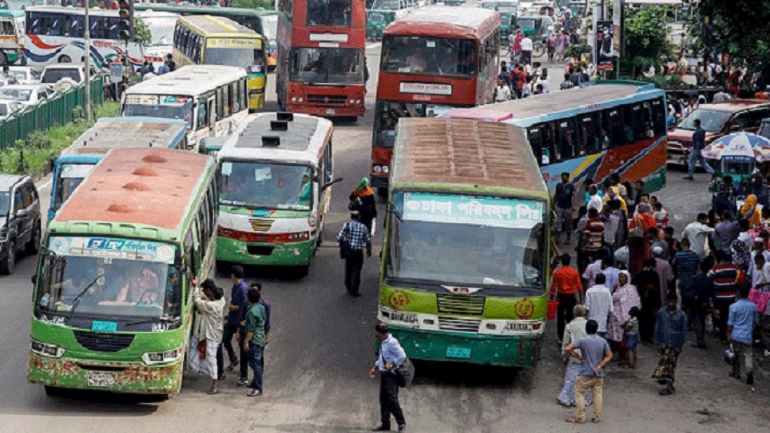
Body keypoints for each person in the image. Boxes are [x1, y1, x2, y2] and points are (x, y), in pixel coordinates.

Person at [564, 320, 612, 424]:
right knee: (597, 395)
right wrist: (600, 365)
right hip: (598, 374)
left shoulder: (582, 340)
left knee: (580, 393)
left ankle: (580, 417)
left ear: (586, 329)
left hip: (585, 372)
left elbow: (568, 348)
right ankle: (596, 417)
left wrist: (577, 356)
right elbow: (609, 356)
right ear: (596, 329)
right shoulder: (602, 341)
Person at [369, 323, 407, 432]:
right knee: (384, 400)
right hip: (384, 374)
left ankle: (401, 423)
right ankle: (385, 423)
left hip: (391, 375)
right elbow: (382, 357)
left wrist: (392, 364)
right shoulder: (384, 342)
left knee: (392, 399)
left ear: (379, 333)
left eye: (376, 332)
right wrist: (375, 368)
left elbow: (402, 356)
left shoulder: (392, 343)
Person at [191, 279, 226, 395]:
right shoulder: (220, 301)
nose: (204, 293)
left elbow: (198, 302)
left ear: (210, 291)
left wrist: (195, 289)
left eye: (205, 290)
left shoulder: (212, 306)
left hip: (211, 335)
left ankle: (214, 383)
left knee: (211, 359)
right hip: (216, 333)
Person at [652, 292, 687, 395]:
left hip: (675, 344)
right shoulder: (662, 313)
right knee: (665, 364)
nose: (671, 303)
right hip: (664, 342)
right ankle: (667, 383)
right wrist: (657, 342)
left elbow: (683, 332)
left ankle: (669, 385)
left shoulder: (682, 315)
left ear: (676, 302)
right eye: (670, 301)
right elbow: (657, 328)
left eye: (673, 301)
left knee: (671, 365)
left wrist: (680, 345)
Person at [557, 305, 591, 407]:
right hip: (587, 357)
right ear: (585, 313)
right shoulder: (589, 325)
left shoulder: (569, 326)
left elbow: (566, 344)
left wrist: (564, 357)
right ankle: (584, 399)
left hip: (574, 356)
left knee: (571, 379)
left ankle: (567, 398)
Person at [606, 271, 641, 366]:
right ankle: (621, 357)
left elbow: (630, 304)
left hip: (625, 318)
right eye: (620, 277)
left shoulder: (630, 290)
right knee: (617, 339)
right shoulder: (618, 288)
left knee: (625, 340)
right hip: (615, 318)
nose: (621, 279)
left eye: (623, 277)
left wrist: (627, 318)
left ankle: (626, 359)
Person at [337, 210, 373, 296]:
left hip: (349, 251)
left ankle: (348, 285)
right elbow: (368, 240)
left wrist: (343, 244)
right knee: (357, 270)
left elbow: (339, 237)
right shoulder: (363, 227)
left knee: (348, 268)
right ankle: (355, 289)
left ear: (351, 216)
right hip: (358, 252)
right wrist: (369, 249)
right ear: (359, 217)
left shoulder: (347, 225)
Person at [224, 266, 249, 386]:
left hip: (239, 320)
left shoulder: (243, 288)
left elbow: (245, 306)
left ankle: (244, 374)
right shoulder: (235, 286)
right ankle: (233, 359)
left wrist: (235, 308)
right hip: (232, 318)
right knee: (225, 339)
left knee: (242, 347)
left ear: (234, 275)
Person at [728, 284, 758, 385]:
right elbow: (755, 321)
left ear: (738, 293)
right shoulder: (753, 306)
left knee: (736, 354)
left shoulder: (733, 306)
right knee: (748, 354)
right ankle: (749, 371)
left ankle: (736, 372)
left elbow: (731, 323)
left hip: (736, 334)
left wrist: (729, 333)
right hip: (747, 335)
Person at [551, 254, 584, 341]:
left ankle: (561, 337)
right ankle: (570, 335)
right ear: (569, 262)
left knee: (560, 317)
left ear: (561, 262)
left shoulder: (557, 272)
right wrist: (581, 300)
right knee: (571, 316)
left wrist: (551, 299)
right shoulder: (574, 272)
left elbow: (553, 287)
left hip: (561, 296)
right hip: (571, 296)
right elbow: (579, 287)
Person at [243, 287, 267, 396]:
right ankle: (257, 383)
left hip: (255, 340)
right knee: (256, 362)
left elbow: (251, 330)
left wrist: (246, 341)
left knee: (255, 363)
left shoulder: (251, 312)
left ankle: (258, 387)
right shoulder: (261, 307)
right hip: (261, 337)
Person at [634, 258, 662, 342]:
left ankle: (643, 335)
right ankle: (650, 335)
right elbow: (658, 288)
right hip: (653, 300)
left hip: (643, 300)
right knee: (651, 319)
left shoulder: (641, 274)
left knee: (643, 318)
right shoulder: (655, 274)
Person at [689, 261, 715, 349]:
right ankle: (701, 339)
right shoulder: (708, 279)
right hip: (704, 302)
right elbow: (711, 291)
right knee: (702, 321)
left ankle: (699, 340)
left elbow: (690, 289)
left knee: (697, 321)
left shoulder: (695, 278)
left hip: (696, 303)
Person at [554, 172, 575, 244]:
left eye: (565, 176)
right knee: (558, 222)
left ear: (568, 177)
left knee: (568, 223)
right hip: (559, 206)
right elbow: (556, 195)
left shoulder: (571, 186)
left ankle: (568, 238)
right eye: (562, 176)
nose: (564, 177)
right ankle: (558, 239)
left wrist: (573, 205)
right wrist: (554, 204)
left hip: (567, 207)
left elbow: (574, 195)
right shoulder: (559, 185)